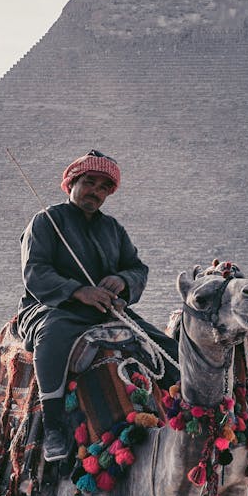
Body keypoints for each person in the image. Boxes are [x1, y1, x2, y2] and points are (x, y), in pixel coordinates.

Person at [18, 150, 177, 460]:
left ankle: (186, 420)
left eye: (104, 187)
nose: (96, 191)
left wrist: (123, 281)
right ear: (71, 184)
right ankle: (53, 428)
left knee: (166, 350)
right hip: (54, 306)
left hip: (106, 310)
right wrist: (78, 291)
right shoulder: (46, 221)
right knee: (51, 338)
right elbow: (35, 271)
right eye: (89, 182)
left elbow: (136, 267)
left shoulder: (113, 229)